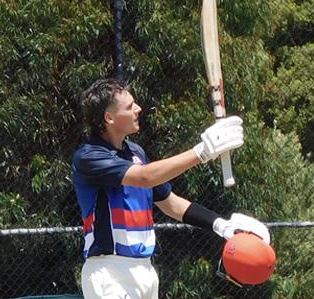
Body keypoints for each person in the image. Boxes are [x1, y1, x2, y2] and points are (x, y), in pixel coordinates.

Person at [72, 78, 269, 299]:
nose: (138, 109)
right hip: (109, 272)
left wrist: (220, 225)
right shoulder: (89, 157)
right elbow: (145, 177)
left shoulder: (136, 153)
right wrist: (202, 152)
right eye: (129, 107)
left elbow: (171, 204)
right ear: (109, 118)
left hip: (145, 271)